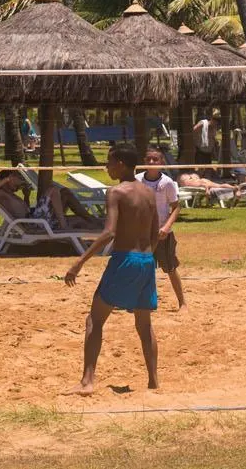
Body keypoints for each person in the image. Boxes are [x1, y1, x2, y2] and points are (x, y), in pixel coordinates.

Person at [64, 142, 159, 396]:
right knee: (144, 323)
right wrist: (145, 258)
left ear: (121, 164)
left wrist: (79, 261)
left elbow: (109, 232)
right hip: (147, 261)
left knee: (95, 319)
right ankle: (153, 381)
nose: (106, 166)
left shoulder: (116, 192)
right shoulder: (149, 193)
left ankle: (87, 382)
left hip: (124, 259)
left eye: (109, 162)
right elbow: (155, 234)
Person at [140, 148, 185, 312]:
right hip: (144, 233)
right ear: (144, 161)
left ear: (162, 163)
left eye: (155, 160)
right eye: (149, 159)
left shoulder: (167, 183)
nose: (152, 162)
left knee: (170, 268)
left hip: (162, 233)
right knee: (142, 268)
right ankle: (143, 301)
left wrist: (166, 227)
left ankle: (182, 303)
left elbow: (176, 207)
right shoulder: (137, 180)